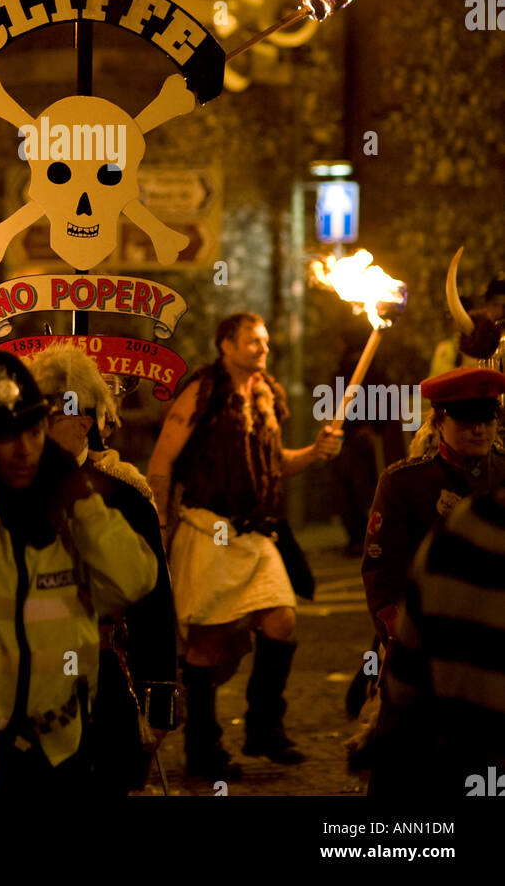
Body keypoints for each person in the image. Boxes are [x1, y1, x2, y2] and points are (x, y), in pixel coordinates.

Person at [0, 344, 158, 795]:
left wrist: (83, 502)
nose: (25, 450)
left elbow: (136, 583)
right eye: (7, 436)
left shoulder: (80, 503)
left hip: (67, 745)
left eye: (33, 429)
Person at [147, 311, 341, 777]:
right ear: (226, 346)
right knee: (208, 641)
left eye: (266, 341)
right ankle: (203, 748)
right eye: (253, 342)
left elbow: (275, 464)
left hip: (258, 534)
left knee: (282, 620)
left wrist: (312, 454)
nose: (263, 349)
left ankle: (264, 729)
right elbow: (161, 461)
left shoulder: (268, 394)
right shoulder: (203, 391)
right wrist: (157, 526)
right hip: (208, 528)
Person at [29, 344, 178, 795]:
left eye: (52, 418)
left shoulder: (125, 495)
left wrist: (159, 696)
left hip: (106, 671)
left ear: (84, 422)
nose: (40, 431)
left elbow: (153, 603)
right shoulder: (10, 489)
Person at [369, 479, 505, 797]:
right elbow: (382, 567)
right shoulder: (461, 521)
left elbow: (405, 687)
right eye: (469, 424)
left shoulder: (468, 520)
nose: (479, 432)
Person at [362, 366, 505, 644]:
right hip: (435, 632)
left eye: (487, 420)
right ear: (439, 422)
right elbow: (382, 574)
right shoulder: (403, 482)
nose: (479, 430)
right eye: (466, 420)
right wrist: (399, 638)